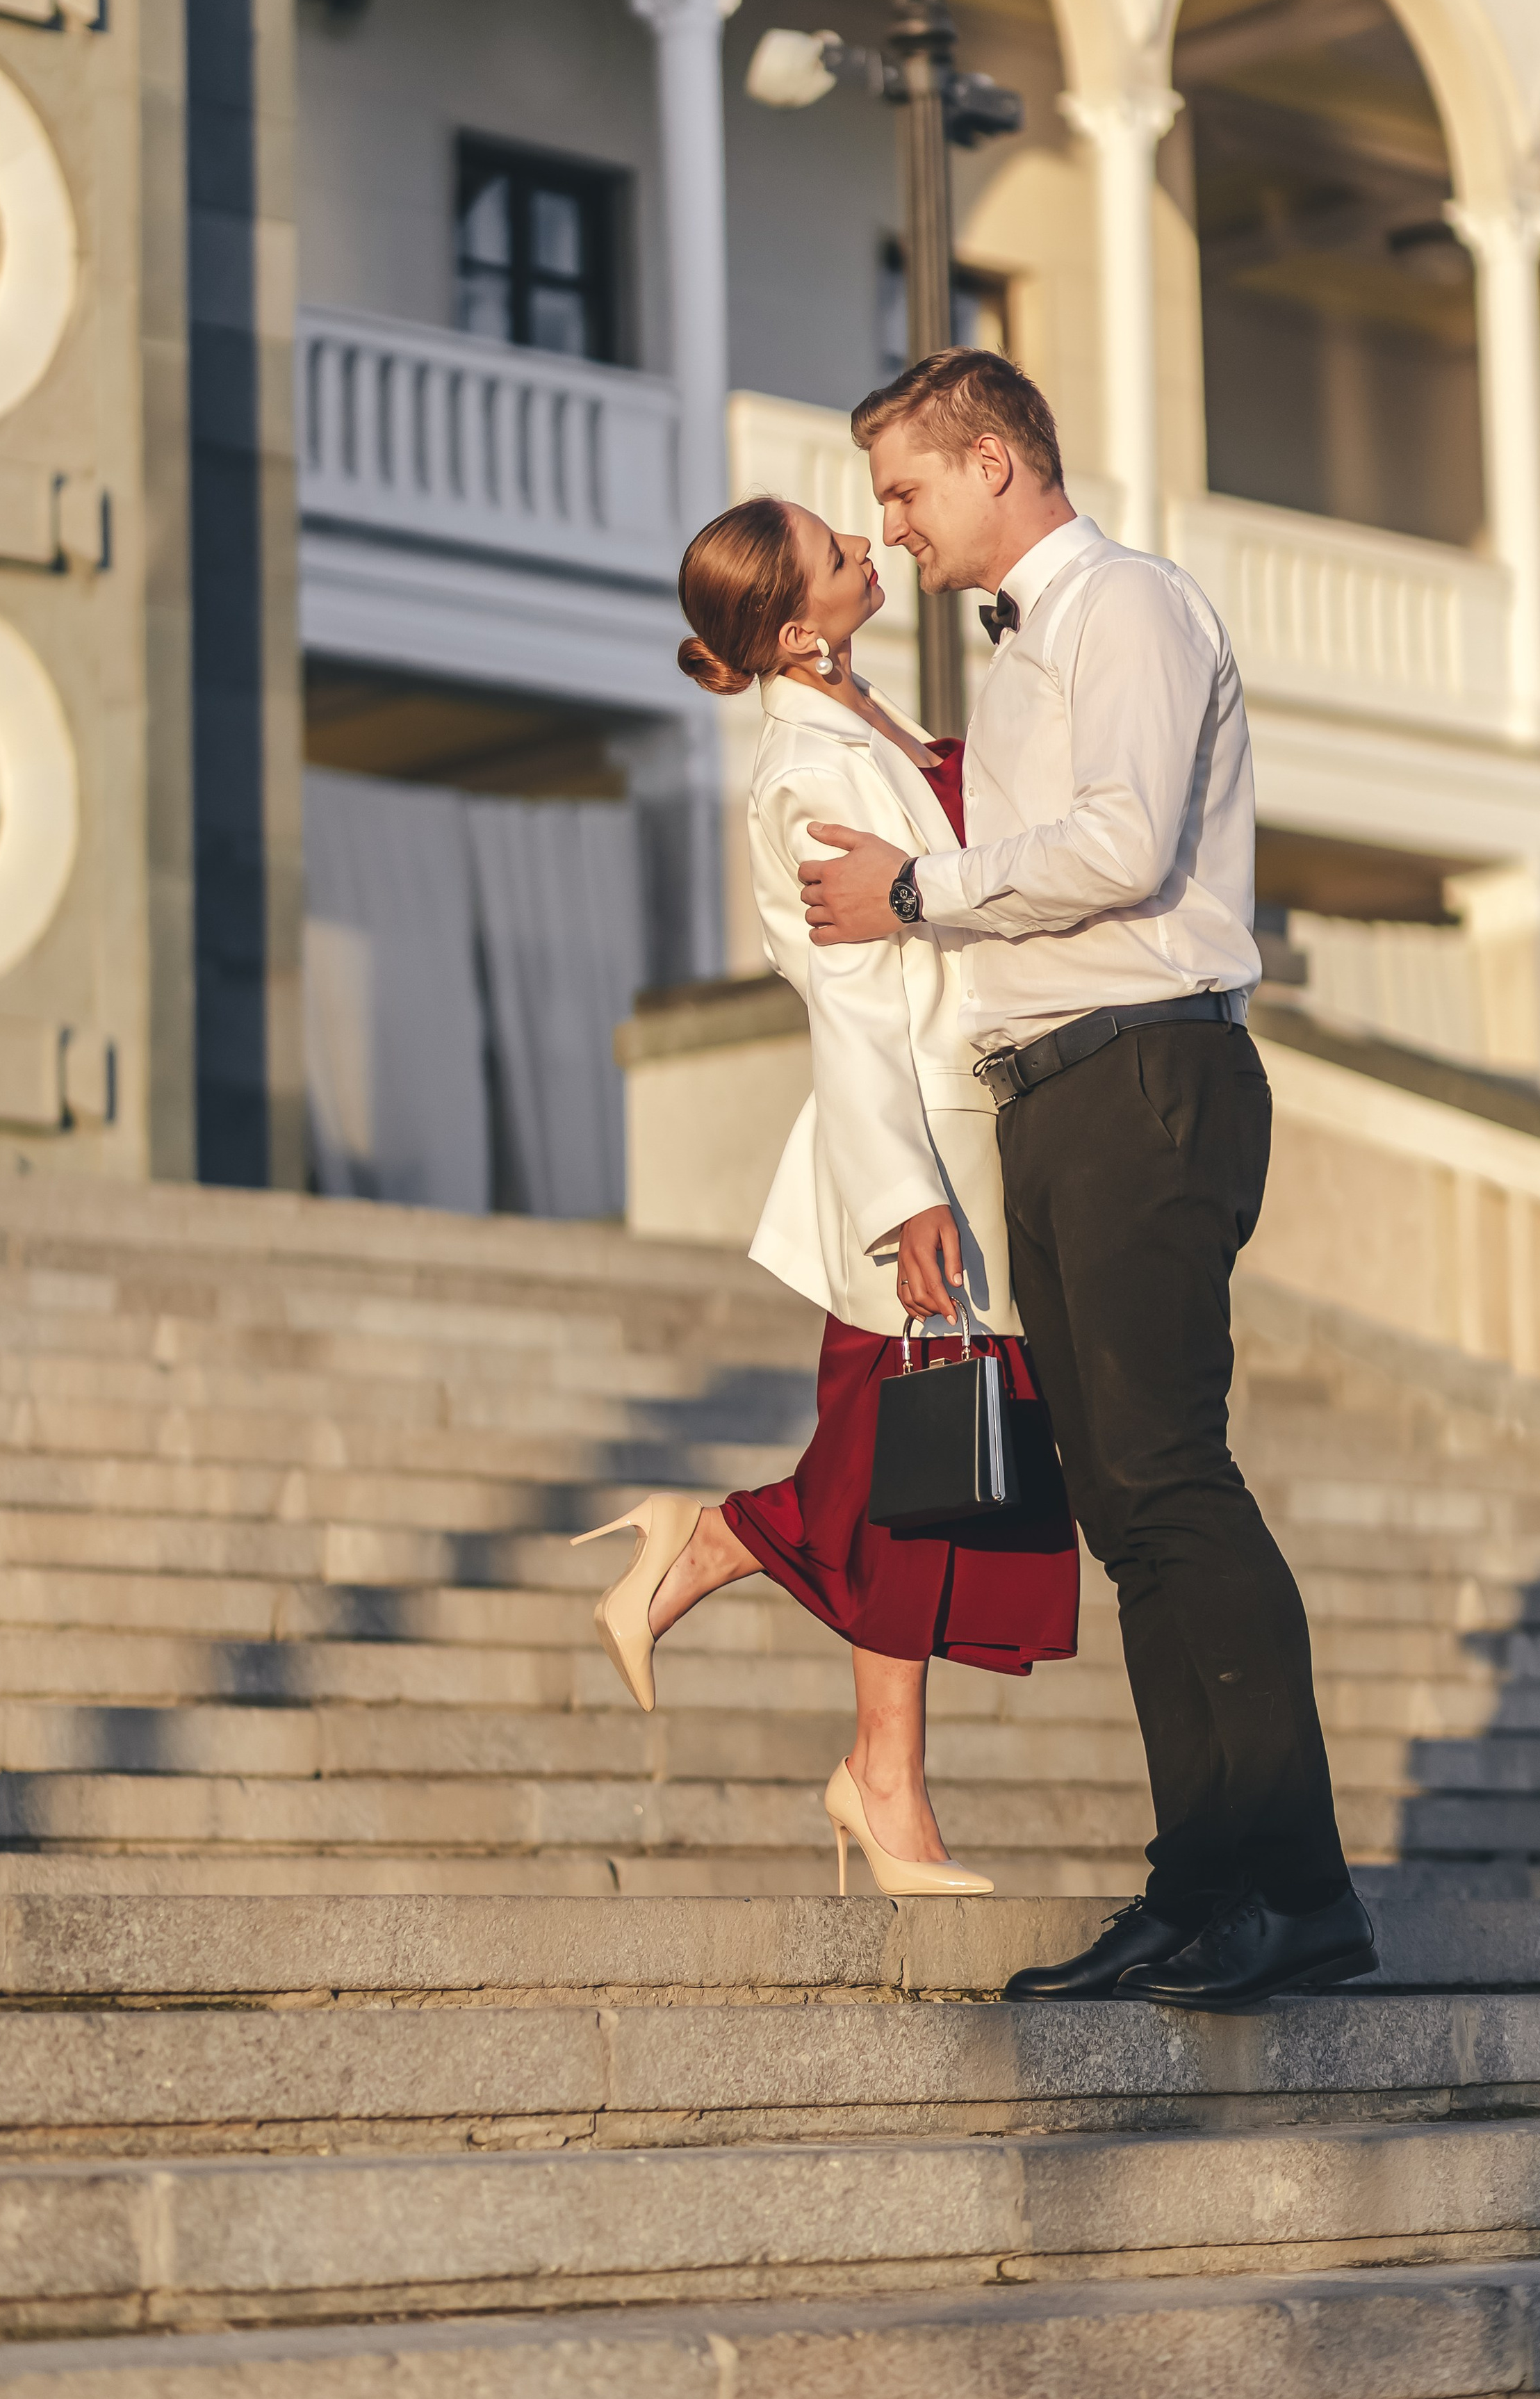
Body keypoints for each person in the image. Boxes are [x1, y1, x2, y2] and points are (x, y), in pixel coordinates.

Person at [795, 348, 1376, 2008]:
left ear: (991, 462)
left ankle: (1293, 1888)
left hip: (1144, 1073)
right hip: (1060, 1095)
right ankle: (1198, 1887)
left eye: (905, 489)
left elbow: (1120, 846)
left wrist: (918, 888)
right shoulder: (1030, 645)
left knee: (1170, 1483)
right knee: (1126, 1506)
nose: (891, 526)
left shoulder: (1123, 604)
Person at [577, 491, 1078, 1898]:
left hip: (959, 1148)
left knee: (893, 1473)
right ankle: (882, 1788)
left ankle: (711, 1550)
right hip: (912, 1164)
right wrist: (901, 1200)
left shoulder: (855, 722)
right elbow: (850, 1011)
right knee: (913, 1485)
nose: (868, 542)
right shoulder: (806, 776)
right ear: (796, 628)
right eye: (839, 551)